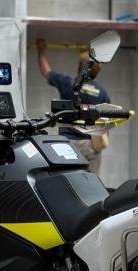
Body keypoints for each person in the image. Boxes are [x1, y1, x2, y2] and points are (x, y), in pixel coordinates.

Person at [36, 38, 111, 174]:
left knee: (66, 180)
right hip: (89, 146)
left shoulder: (68, 83)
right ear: (96, 72)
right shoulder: (103, 93)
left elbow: (46, 71)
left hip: (67, 143)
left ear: (79, 67)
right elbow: (106, 122)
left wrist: (41, 51)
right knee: (91, 182)